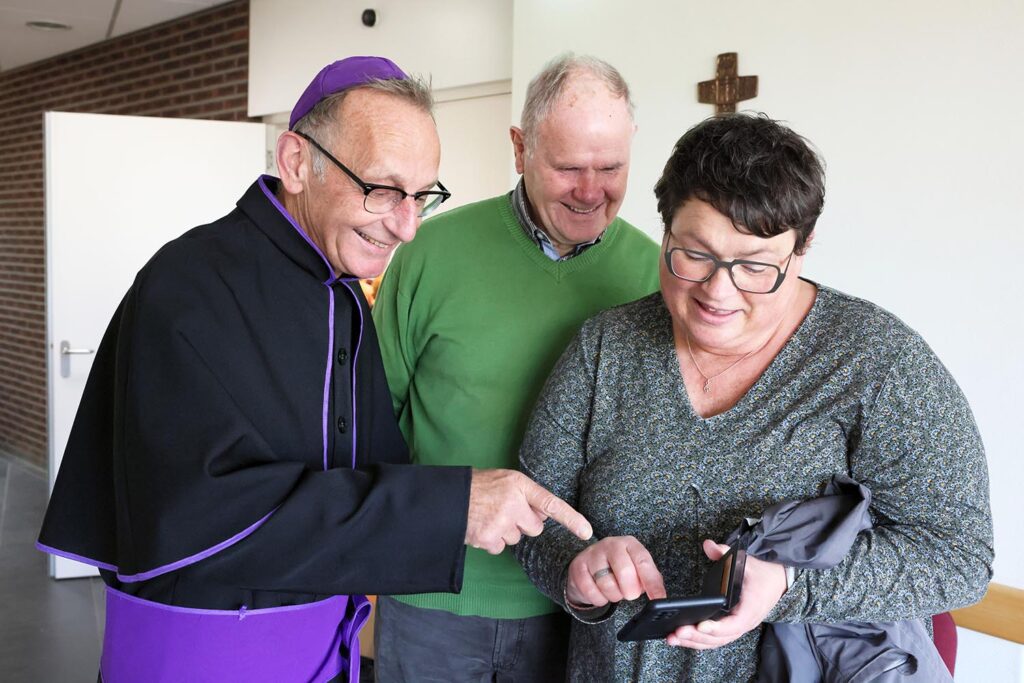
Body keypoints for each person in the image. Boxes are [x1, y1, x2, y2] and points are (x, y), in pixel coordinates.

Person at [36, 56, 592, 683]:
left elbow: (358, 474)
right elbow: (203, 516)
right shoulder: (188, 284)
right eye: (382, 189)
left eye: (421, 196)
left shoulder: (344, 292)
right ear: (297, 162)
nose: (407, 226)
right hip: (205, 655)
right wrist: (451, 507)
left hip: (323, 648)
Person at [514, 113, 994, 681]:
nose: (719, 291)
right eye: (694, 254)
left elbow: (958, 556)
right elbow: (534, 515)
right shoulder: (605, 348)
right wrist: (575, 569)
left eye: (755, 266)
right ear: (664, 230)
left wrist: (791, 585)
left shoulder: (877, 365)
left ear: (803, 246)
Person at [371, 54, 660, 681]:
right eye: (568, 168)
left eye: (610, 168)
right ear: (520, 147)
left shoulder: (654, 275)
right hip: (431, 594)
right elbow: (372, 419)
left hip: (579, 607)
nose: (591, 191)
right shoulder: (430, 252)